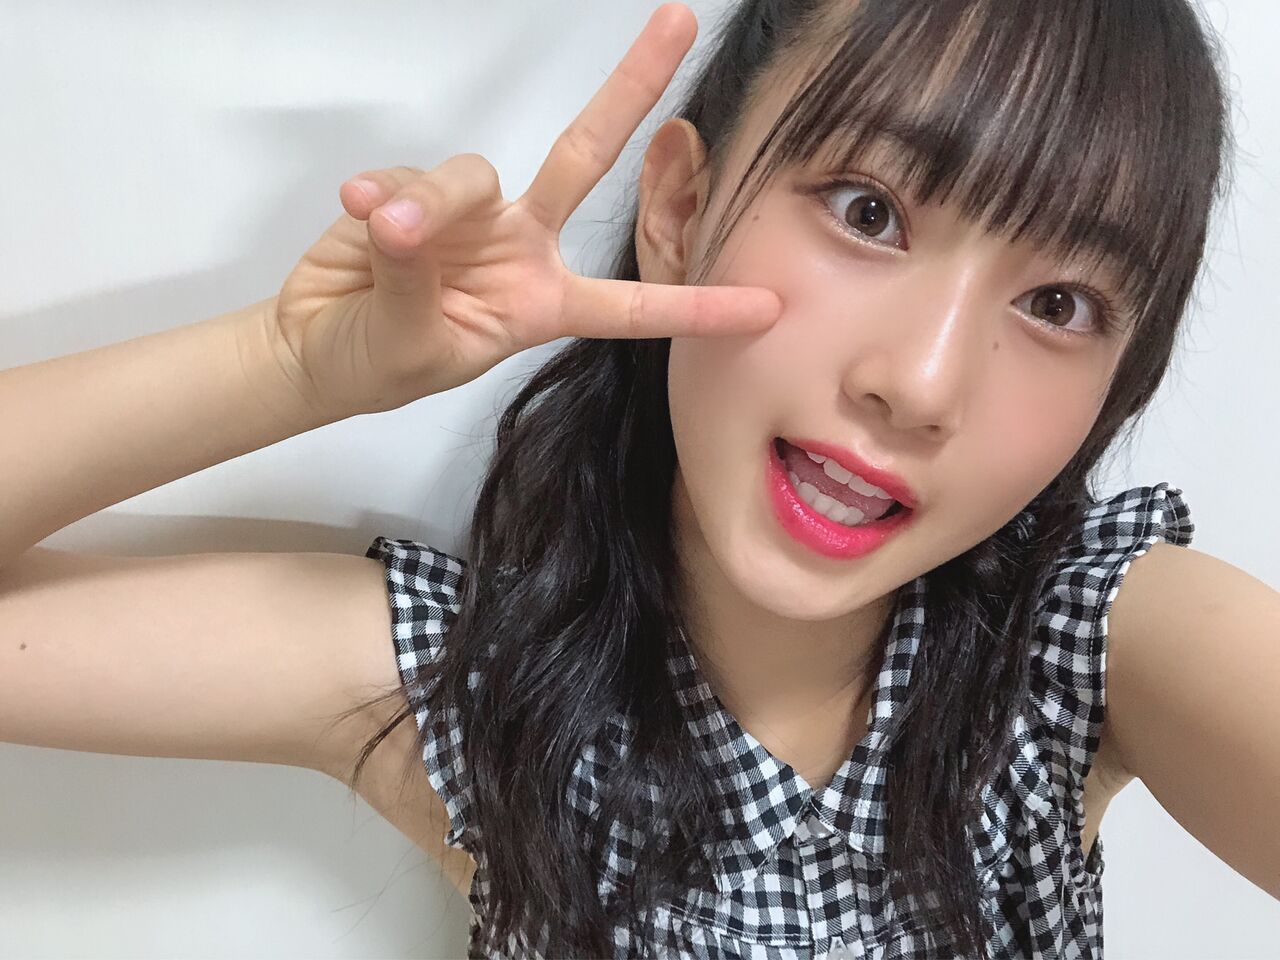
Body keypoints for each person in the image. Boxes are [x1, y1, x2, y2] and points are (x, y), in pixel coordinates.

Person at [2, 1, 1276, 957]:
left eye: (1057, 304)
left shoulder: (1075, 653)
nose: (922, 383)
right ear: (676, 209)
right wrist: (292, 366)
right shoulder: (476, 692)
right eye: (867, 212)